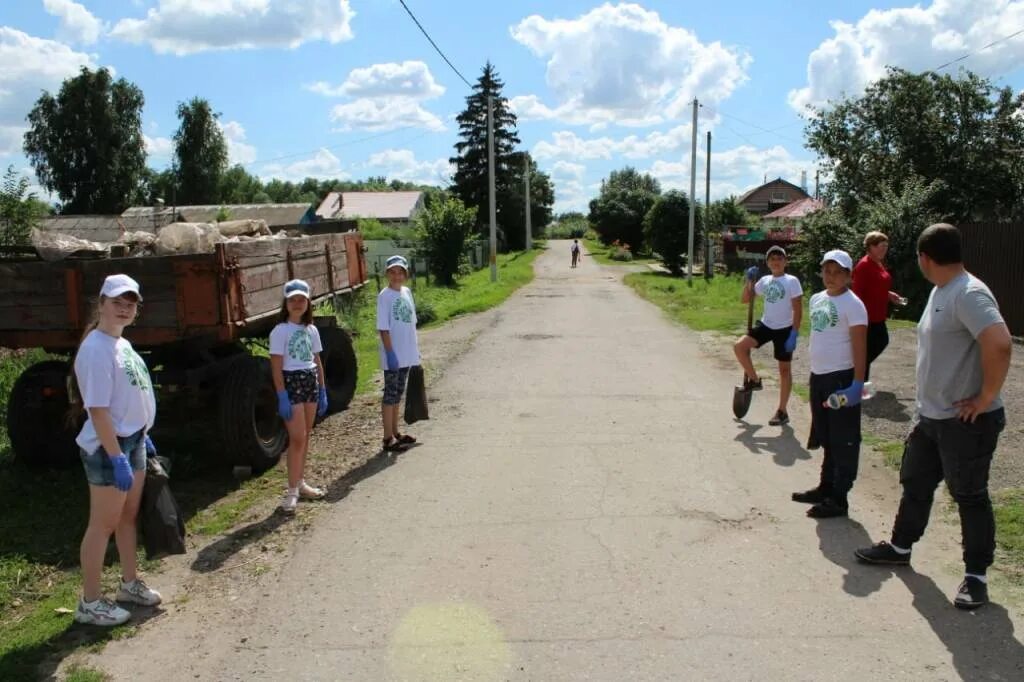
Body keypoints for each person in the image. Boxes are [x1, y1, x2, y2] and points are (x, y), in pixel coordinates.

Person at [855, 223, 1011, 610]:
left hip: (965, 422)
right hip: (932, 417)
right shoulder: (943, 290)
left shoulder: (969, 293)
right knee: (916, 483)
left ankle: (976, 577)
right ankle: (901, 546)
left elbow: (1000, 343)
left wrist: (985, 396)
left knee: (969, 495)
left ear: (924, 258)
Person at [70, 274, 162, 626]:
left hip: (134, 439)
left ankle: (128, 583)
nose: (124, 308)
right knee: (102, 524)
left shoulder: (121, 343)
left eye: (131, 303)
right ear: (102, 303)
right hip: (111, 446)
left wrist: (144, 433)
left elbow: (130, 394)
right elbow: (97, 409)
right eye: (117, 302)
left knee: (127, 516)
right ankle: (90, 602)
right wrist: (116, 455)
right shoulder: (95, 348)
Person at [792, 250, 868, 519]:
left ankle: (839, 497)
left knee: (843, 437)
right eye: (827, 271)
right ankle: (825, 487)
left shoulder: (854, 305)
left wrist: (857, 383)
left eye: (838, 272)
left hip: (841, 378)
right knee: (825, 433)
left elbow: (860, 347)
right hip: (819, 375)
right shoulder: (816, 299)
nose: (831, 277)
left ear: (849, 275)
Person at [270, 279, 329, 514]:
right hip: (291, 383)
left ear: (308, 302)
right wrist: (282, 394)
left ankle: (301, 482)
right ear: (286, 303)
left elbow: (317, 361)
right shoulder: (280, 331)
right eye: (292, 299)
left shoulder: (311, 329)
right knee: (296, 438)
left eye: (301, 299)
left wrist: (322, 389)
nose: (297, 303)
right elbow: (276, 366)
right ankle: (292, 490)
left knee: (306, 435)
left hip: (310, 382)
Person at [733, 246, 803, 426]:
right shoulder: (764, 280)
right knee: (739, 346)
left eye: (780, 258)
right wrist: (748, 281)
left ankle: (782, 411)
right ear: (767, 262)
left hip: (785, 329)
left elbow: (798, 309)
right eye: (772, 258)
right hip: (766, 325)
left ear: (785, 262)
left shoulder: (792, 281)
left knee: (784, 370)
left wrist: (794, 334)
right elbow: (745, 299)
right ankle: (755, 380)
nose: (776, 261)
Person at [377, 255, 421, 453]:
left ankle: (395, 432)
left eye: (400, 272)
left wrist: (414, 352)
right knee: (390, 394)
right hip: (393, 354)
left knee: (398, 393)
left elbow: (411, 323)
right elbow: (384, 328)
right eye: (393, 272)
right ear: (388, 274)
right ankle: (387, 437)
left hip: (406, 352)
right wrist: (390, 353)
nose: (396, 276)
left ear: (405, 274)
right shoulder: (384, 296)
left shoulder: (406, 292)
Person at [851, 231, 905, 380]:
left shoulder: (878, 263)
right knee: (874, 346)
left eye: (886, 246)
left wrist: (889, 294)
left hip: (878, 314)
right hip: (867, 317)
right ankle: (857, 376)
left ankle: (858, 377)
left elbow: (877, 284)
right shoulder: (864, 266)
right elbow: (857, 293)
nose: (884, 249)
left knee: (871, 348)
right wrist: (859, 318)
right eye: (881, 246)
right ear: (870, 247)